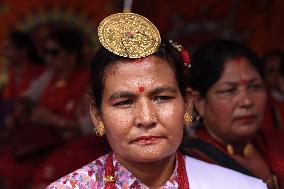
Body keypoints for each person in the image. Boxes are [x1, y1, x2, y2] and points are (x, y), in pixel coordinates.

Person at [47, 13, 267, 189]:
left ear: (188, 104)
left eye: (162, 98)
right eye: (124, 102)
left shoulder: (239, 186)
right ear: (97, 115)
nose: (146, 118)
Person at [180, 39, 283, 189]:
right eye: (229, 90)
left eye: (255, 87)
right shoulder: (189, 162)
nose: (246, 101)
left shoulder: (276, 143)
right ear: (199, 102)